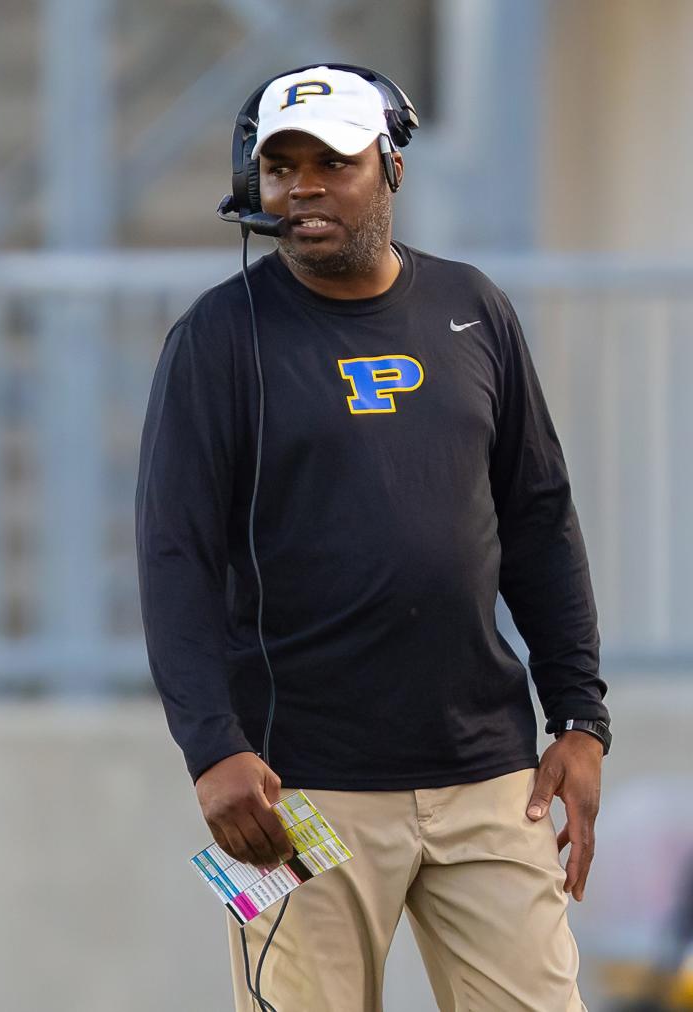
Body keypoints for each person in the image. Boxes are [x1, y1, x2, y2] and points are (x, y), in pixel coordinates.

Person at [135, 64, 611, 1011]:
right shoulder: (216, 338)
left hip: (490, 778)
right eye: (281, 167)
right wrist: (209, 750)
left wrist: (581, 717)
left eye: (333, 163)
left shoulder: (475, 307)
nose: (303, 187)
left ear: (391, 167)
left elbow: (539, 519)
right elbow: (173, 558)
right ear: (253, 181)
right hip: (293, 794)